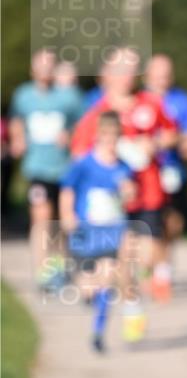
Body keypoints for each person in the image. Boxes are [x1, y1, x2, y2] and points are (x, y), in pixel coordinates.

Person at [70, 47, 178, 301]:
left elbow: (172, 133)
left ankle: (136, 289)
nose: (127, 75)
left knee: (146, 254)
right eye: (120, 69)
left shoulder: (150, 104)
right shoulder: (96, 114)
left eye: (131, 69)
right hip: (113, 200)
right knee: (121, 257)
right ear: (105, 74)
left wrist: (155, 144)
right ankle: (127, 302)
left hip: (148, 192)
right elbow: (79, 156)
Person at [60, 111, 145, 351]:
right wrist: (67, 215)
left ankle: (98, 333)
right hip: (86, 230)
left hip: (113, 229)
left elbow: (130, 197)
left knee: (108, 278)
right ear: (98, 135)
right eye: (106, 135)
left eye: (115, 136)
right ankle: (86, 294)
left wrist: (129, 192)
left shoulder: (123, 167)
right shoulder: (84, 164)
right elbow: (68, 189)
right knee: (88, 287)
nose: (110, 140)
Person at [8, 49, 83, 288]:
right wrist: (18, 139)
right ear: (33, 70)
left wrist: (70, 135)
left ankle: (59, 266)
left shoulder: (69, 97)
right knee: (41, 218)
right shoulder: (23, 95)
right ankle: (43, 271)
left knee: (61, 221)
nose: (45, 71)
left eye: (49, 66)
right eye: (41, 66)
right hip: (36, 168)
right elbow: (16, 120)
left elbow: (84, 125)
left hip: (64, 168)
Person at [143, 53, 187, 299]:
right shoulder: (138, 101)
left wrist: (173, 140)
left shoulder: (183, 101)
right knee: (151, 225)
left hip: (174, 171)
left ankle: (161, 268)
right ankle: (158, 273)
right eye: (157, 73)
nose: (162, 78)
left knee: (174, 223)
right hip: (144, 175)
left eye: (166, 73)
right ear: (148, 75)